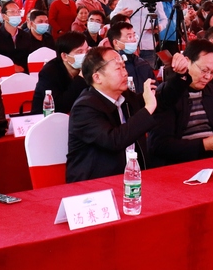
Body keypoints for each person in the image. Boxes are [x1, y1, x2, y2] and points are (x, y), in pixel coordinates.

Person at [65, 47, 157, 183]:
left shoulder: (125, 97)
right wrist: (148, 108)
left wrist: (180, 76)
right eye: (118, 69)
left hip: (129, 179)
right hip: (93, 185)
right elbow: (114, 140)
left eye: (124, 67)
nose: (125, 73)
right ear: (97, 77)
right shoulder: (84, 108)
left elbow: (161, 100)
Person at [149, 41, 213, 167]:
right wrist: (205, 145)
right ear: (187, 62)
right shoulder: (168, 94)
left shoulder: (212, 92)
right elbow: (159, 145)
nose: (208, 77)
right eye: (204, 70)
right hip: (183, 162)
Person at [110, 0, 168, 66]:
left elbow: (164, 19)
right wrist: (121, 14)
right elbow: (112, 17)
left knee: (148, 72)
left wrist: (160, 27)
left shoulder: (155, 0)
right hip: (129, 45)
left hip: (148, 45)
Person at [31, 32, 89, 115]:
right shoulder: (49, 72)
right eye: (80, 52)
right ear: (64, 56)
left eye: (87, 51)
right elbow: (59, 106)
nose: (85, 55)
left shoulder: (90, 68)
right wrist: (81, 78)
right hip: (46, 117)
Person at [106, 22, 156, 87]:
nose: (134, 40)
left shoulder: (142, 63)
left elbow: (155, 86)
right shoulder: (111, 67)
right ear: (116, 42)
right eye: (129, 37)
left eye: (134, 36)